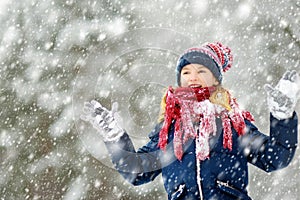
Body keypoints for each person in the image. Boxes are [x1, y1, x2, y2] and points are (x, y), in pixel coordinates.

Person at [81, 42, 299, 200]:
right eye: (186, 72)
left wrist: (282, 116)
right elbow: (138, 172)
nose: (192, 77)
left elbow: (276, 158)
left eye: (201, 70)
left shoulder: (231, 124)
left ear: (215, 79)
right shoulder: (170, 130)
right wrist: (115, 136)